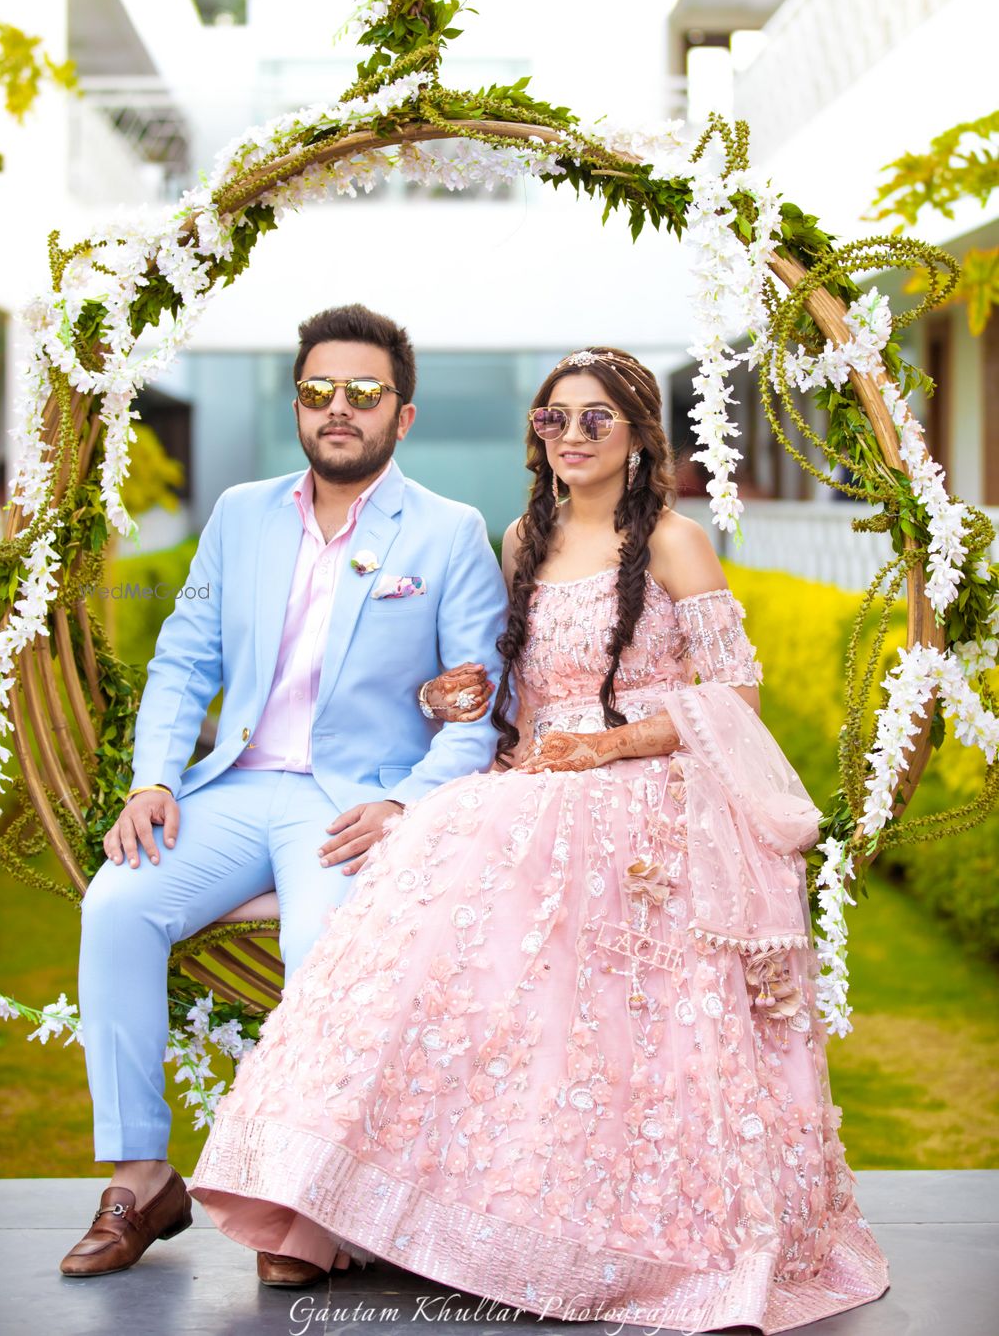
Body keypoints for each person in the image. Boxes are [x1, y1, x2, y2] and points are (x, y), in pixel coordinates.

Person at [187, 347, 890, 1332]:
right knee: (417, 893)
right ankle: (319, 1199)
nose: (569, 437)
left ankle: (599, 1229)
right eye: (551, 420)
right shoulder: (522, 540)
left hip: (649, 785)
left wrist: (609, 746)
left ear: (639, 434)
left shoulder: (677, 542)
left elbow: (733, 695)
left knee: (530, 892)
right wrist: (457, 698)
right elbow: (513, 701)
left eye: (594, 420)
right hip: (536, 780)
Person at [60, 304, 508, 1279]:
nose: (337, 408)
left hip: (351, 803)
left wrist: (405, 805)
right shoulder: (240, 512)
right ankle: (142, 1179)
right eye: (318, 390)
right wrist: (153, 782)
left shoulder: (447, 532)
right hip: (232, 787)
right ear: (296, 403)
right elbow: (182, 661)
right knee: (116, 905)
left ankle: (307, 1200)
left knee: (321, 946)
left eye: (363, 391)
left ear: (405, 413)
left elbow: (478, 708)